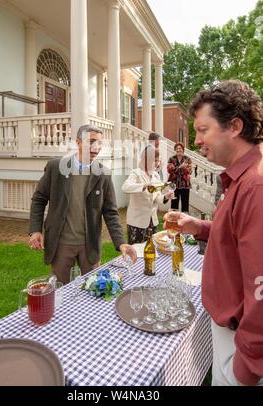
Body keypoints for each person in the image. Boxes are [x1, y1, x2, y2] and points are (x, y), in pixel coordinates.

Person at [164, 80, 263, 386]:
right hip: (228, 332)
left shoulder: (255, 187)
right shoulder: (241, 177)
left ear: (234, 126)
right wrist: (199, 227)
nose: (196, 141)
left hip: (241, 346)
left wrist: (245, 369)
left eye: (203, 130)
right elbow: (236, 234)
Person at [28, 124, 137, 284]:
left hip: (89, 245)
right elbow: (39, 199)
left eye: (99, 143)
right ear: (78, 143)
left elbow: (111, 213)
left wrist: (121, 242)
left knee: (93, 290)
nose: (96, 147)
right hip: (61, 244)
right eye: (91, 141)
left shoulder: (104, 174)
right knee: (61, 291)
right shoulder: (55, 168)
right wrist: (35, 231)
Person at [122, 146, 174, 244]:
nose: (157, 163)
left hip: (152, 221)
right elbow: (125, 187)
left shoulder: (155, 175)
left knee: (151, 250)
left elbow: (157, 197)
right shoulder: (136, 173)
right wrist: (144, 186)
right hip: (137, 222)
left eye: (158, 160)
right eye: (155, 160)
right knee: (137, 252)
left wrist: (166, 196)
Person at [167, 142, 192, 213]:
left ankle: (185, 220)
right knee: (174, 203)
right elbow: (169, 170)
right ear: (175, 150)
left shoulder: (187, 159)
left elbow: (189, 171)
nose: (178, 150)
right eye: (177, 148)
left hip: (185, 184)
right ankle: (173, 219)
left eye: (180, 148)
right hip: (174, 185)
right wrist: (181, 167)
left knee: (185, 204)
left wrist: (179, 168)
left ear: (183, 149)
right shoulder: (171, 159)